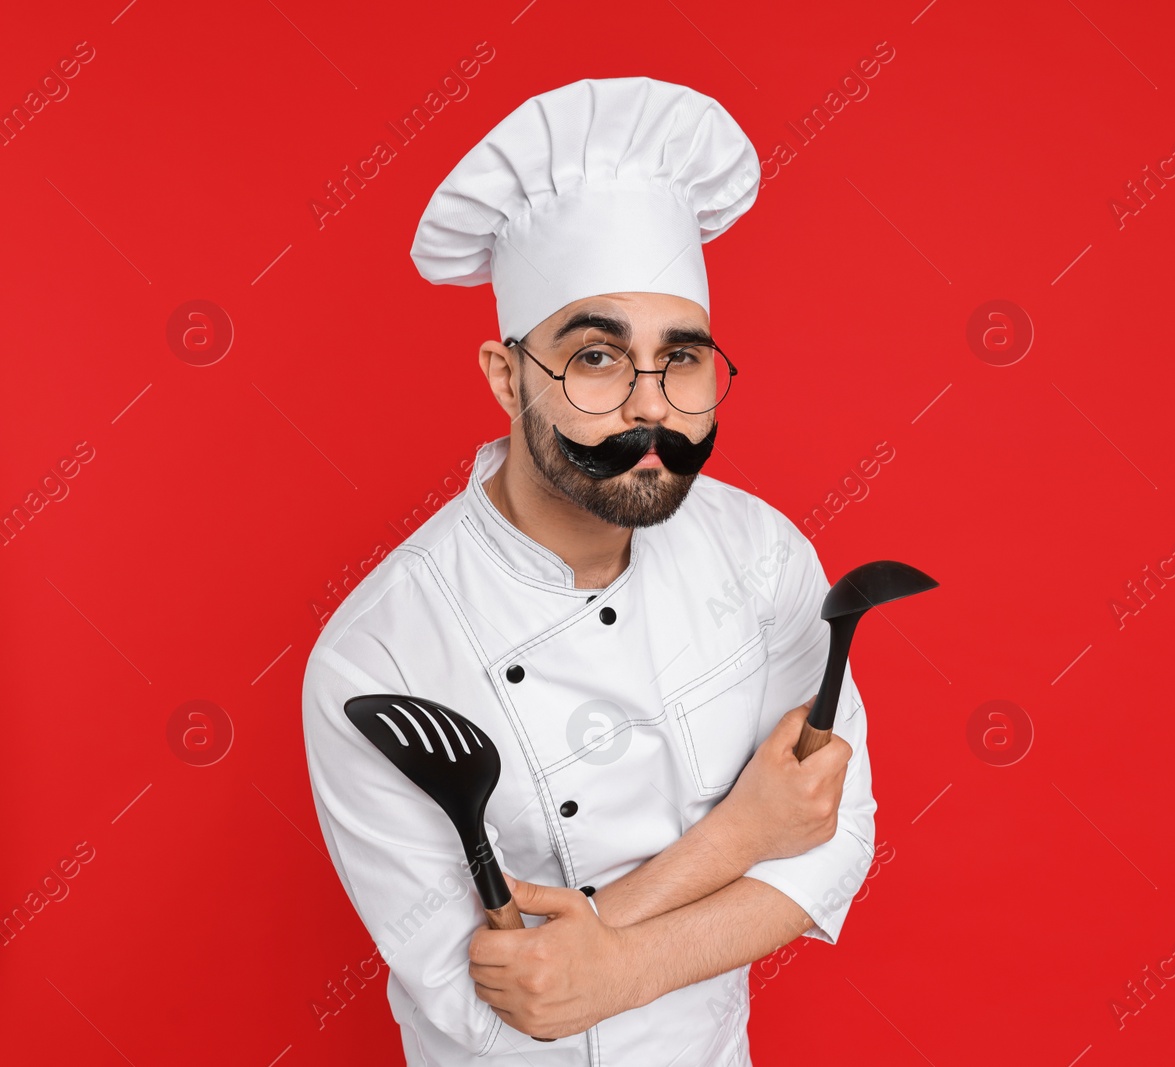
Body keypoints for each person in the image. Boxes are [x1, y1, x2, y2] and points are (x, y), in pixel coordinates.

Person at [300, 76, 878, 1066]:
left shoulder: (760, 553)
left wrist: (622, 960)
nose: (650, 408)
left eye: (682, 358)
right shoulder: (378, 654)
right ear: (505, 373)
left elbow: (831, 836)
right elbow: (490, 997)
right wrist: (733, 840)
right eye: (598, 358)